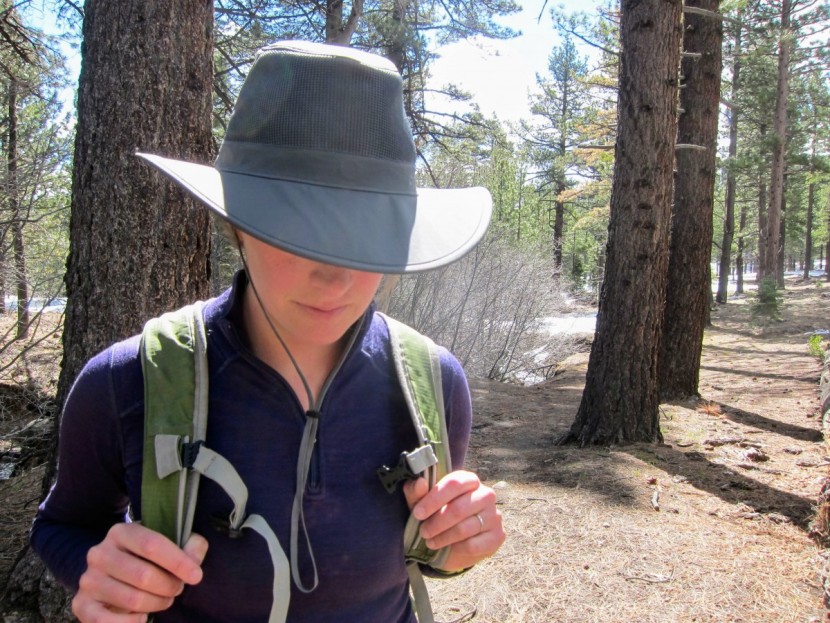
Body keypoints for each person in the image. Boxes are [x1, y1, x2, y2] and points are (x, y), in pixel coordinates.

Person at [30, 40, 504, 622]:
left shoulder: (434, 383)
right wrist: (94, 568)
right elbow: (61, 526)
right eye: (295, 230)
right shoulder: (130, 380)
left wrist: (459, 545)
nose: (335, 278)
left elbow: (431, 553)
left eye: (368, 237)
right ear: (237, 224)